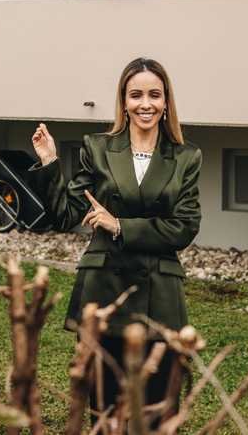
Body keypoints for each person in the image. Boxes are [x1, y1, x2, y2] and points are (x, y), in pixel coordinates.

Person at [28, 56, 202, 424]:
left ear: (166, 102)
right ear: (123, 101)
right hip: (104, 288)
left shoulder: (186, 157)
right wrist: (50, 162)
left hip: (160, 294)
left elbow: (185, 227)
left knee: (158, 409)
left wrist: (120, 225)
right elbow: (65, 215)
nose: (145, 104)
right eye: (136, 95)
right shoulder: (97, 148)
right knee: (104, 409)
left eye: (154, 95)